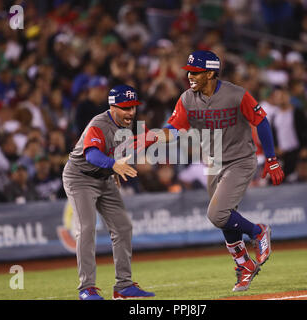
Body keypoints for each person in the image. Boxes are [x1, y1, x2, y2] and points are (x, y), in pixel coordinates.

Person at [132, 51, 284, 292]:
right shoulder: (187, 99)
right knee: (225, 217)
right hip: (213, 163)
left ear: (211, 73)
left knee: (216, 214)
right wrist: (149, 137)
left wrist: (272, 159)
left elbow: (261, 121)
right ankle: (244, 265)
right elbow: (173, 128)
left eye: (196, 71)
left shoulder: (236, 94)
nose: (190, 75)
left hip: (240, 160)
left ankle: (258, 231)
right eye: (189, 71)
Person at [62, 84, 155, 300]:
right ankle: (86, 288)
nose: (130, 112)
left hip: (105, 178)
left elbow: (151, 136)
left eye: (133, 107)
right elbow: (92, 155)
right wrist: (114, 166)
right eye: (125, 108)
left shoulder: (130, 124)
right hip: (80, 178)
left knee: (123, 227)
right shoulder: (99, 124)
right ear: (112, 107)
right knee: (86, 228)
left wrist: (180, 130)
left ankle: (123, 286)